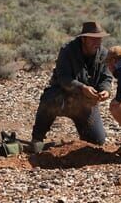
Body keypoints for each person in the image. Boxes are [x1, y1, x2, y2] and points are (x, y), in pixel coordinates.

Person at [30, 21, 113, 153]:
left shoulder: (103, 54)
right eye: (93, 39)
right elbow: (64, 79)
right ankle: (37, 139)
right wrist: (82, 88)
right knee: (49, 99)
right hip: (63, 97)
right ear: (83, 39)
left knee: (97, 142)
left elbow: (106, 78)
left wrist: (105, 91)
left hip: (86, 104)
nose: (97, 43)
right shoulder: (68, 50)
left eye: (99, 39)